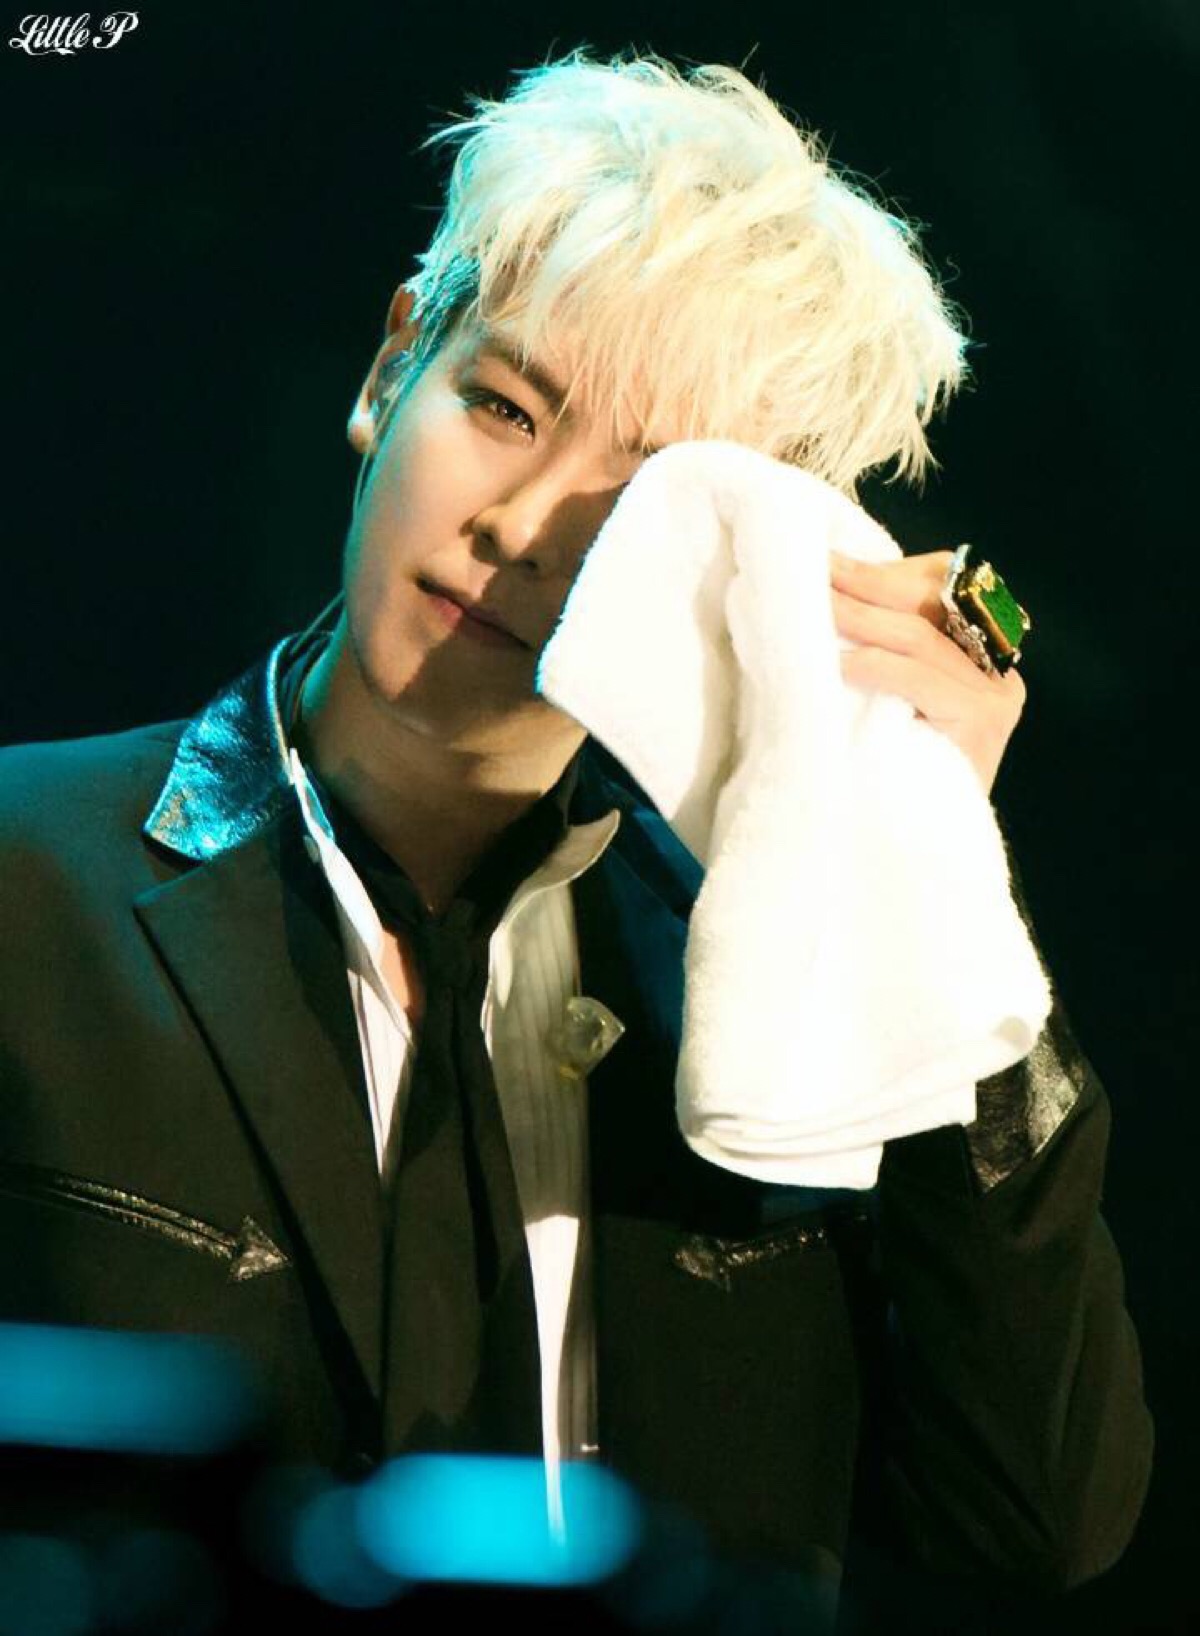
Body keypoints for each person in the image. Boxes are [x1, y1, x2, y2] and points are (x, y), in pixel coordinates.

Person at [0, 49, 1150, 1632]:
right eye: (501, 407)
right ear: (391, 365)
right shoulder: (26, 879)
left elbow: (1033, 1513)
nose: (523, 527)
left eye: (641, 500)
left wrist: (933, 882)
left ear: (747, 566)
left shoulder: (785, 992)